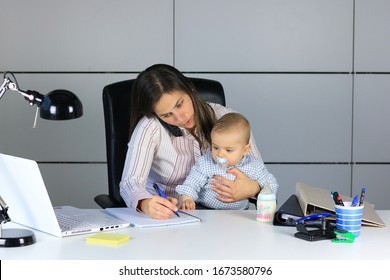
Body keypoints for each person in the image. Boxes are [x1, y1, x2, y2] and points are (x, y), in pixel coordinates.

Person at [119, 63, 279, 219]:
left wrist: (254, 188)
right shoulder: (149, 127)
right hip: (172, 216)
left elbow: (258, 170)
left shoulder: (229, 120)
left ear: (190, 89)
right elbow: (130, 182)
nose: (180, 118)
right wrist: (146, 203)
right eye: (167, 115)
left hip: (226, 220)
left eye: (180, 104)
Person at [176, 112, 278, 210]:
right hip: (206, 210)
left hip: (239, 214)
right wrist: (187, 198)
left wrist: (258, 191)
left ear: (245, 150)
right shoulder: (206, 162)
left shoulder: (253, 166)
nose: (220, 154)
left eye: (228, 150)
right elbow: (192, 182)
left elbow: (271, 185)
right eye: (215, 147)